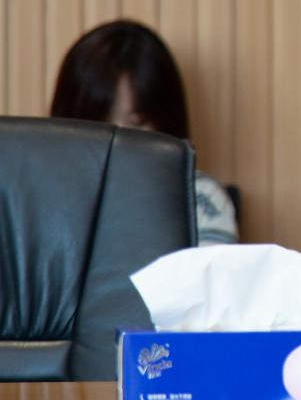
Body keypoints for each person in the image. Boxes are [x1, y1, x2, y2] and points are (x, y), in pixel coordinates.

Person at [49, 20, 238, 247]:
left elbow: (211, 271)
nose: (116, 143)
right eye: (98, 125)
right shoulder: (36, 198)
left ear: (166, 121)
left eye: (136, 124)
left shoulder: (199, 200)